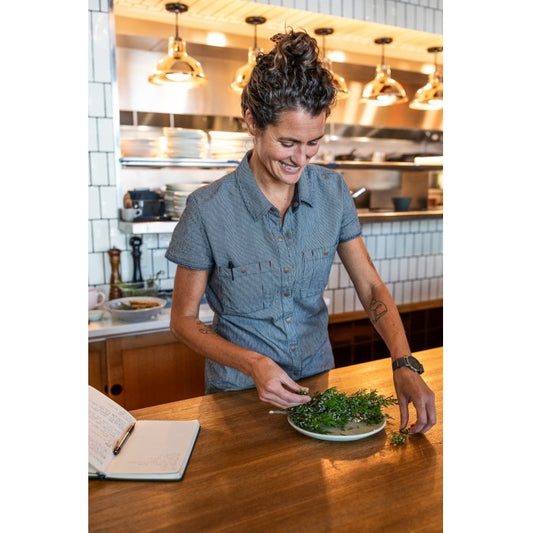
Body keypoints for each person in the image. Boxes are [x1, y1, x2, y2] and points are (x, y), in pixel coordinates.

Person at [166, 30, 436, 434]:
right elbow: (183, 320)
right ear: (253, 122)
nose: (301, 158)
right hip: (239, 395)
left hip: (317, 386)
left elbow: (371, 288)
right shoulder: (207, 209)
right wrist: (254, 363)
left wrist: (403, 359)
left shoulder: (332, 193)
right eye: (288, 142)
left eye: (313, 143)